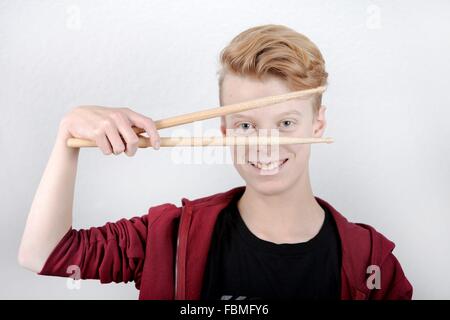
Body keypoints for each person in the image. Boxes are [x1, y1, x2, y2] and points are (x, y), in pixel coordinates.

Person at [18, 24, 412, 300]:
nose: (265, 144)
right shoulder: (168, 236)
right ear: (223, 130)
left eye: (287, 123)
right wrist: (67, 135)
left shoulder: (371, 261)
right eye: (245, 124)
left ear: (318, 122)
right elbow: (42, 253)